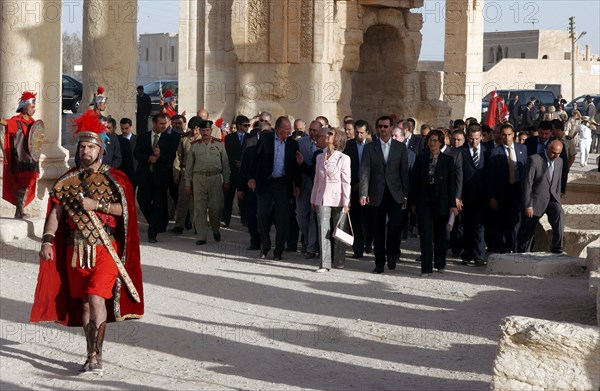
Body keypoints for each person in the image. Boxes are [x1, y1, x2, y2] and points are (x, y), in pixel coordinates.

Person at [30, 109, 144, 373]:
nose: (85, 151)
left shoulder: (115, 179)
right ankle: (89, 352)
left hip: (105, 249)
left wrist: (97, 204)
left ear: (100, 149)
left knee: (95, 298)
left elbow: (126, 209)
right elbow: (56, 214)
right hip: (75, 249)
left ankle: (97, 354)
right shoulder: (66, 181)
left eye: (91, 146)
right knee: (84, 303)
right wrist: (47, 240)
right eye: (82, 146)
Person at [359, 116, 409, 273]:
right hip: (376, 193)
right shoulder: (370, 147)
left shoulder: (400, 148)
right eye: (380, 126)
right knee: (378, 229)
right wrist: (363, 192)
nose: (383, 129)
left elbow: (404, 173)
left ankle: (393, 254)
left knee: (395, 226)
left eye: (386, 126)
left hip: (395, 193)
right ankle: (379, 262)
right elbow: (365, 171)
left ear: (390, 127)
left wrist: (405, 195)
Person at [248, 116, 300, 260]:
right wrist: (251, 177)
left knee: (282, 219)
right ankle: (265, 245)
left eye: (290, 128)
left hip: (283, 185)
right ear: (278, 129)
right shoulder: (265, 139)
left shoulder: (292, 144)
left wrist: (298, 185)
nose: (290, 131)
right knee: (263, 215)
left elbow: (295, 167)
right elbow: (255, 159)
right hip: (266, 183)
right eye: (287, 128)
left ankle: (278, 251)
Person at [411, 130, 457, 276]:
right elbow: (415, 182)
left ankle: (440, 262)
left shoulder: (448, 160)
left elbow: (451, 184)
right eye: (430, 140)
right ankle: (426, 267)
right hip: (424, 200)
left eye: (435, 140)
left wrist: (452, 204)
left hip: (441, 201)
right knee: (425, 234)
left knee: (440, 234)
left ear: (441, 142)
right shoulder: (421, 158)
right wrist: (413, 202)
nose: (432, 143)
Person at [311, 128, 351, 272]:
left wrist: (346, 202)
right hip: (322, 198)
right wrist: (313, 198)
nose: (327, 136)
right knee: (323, 230)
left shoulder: (344, 158)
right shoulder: (319, 157)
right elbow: (316, 180)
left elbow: (346, 182)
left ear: (338, 139)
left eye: (330, 134)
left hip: (339, 198)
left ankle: (339, 260)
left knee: (339, 231)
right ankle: (324, 263)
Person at [184, 119, 230, 245]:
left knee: (216, 207)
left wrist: (226, 180)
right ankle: (201, 236)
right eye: (203, 130)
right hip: (198, 179)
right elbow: (189, 167)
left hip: (215, 178)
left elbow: (225, 164)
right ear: (200, 131)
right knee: (199, 208)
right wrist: (187, 183)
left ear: (211, 131)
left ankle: (215, 229)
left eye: (207, 130)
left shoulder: (219, 145)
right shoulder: (195, 146)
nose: (205, 133)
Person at [134, 113, 178, 242]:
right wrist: (148, 158)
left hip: (161, 177)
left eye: (166, 123)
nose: (164, 126)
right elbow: (137, 153)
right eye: (161, 123)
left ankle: (152, 233)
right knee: (143, 202)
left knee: (158, 205)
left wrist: (159, 156)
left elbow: (171, 157)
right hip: (145, 176)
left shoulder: (169, 139)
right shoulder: (143, 137)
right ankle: (156, 222)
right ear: (154, 123)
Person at [516, 140, 564, 253]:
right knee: (527, 232)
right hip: (535, 200)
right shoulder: (534, 160)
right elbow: (527, 184)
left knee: (559, 214)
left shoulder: (559, 161)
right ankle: (522, 254)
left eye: (558, 153)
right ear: (547, 148)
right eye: (553, 152)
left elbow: (557, 181)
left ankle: (557, 248)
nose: (555, 155)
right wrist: (528, 205)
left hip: (552, 199)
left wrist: (558, 199)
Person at [486, 123, 527, 254]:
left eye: (509, 134)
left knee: (516, 223)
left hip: (517, 191)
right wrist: (491, 196)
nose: (507, 137)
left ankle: (514, 250)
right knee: (500, 224)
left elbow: (525, 170)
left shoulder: (522, 149)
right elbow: (490, 176)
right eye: (504, 135)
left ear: (513, 135)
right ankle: (500, 251)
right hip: (501, 193)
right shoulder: (493, 153)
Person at [1, 91, 41, 218]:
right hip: (21, 159)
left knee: (28, 186)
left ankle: (20, 211)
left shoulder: (33, 123)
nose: (34, 109)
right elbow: (6, 123)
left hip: (32, 160)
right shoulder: (16, 121)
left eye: (34, 107)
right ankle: (20, 211)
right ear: (24, 107)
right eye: (32, 106)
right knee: (22, 186)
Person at [459, 124, 487, 265]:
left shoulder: (487, 152)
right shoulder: (460, 152)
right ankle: (467, 254)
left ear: (481, 137)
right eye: (471, 139)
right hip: (465, 195)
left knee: (480, 226)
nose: (474, 142)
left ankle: (479, 256)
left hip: (482, 196)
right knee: (467, 226)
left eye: (476, 139)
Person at [343, 120, 372, 258]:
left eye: (362, 132)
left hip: (369, 189)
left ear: (367, 133)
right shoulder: (348, 145)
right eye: (357, 132)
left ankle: (368, 242)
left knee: (368, 219)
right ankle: (358, 249)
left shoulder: (372, 146)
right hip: (352, 187)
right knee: (355, 219)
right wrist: (354, 183)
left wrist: (365, 185)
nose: (359, 135)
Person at [169, 116, 202, 234]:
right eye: (192, 128)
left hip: (200, 174)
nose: (194, 131)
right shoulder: (184, 139)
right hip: (186, 173)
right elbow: (178, 156)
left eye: (197, 129)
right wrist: (176, 173)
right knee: (183, 200)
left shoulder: (206, 139)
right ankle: (179, 225)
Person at [295, 120, 322, 258]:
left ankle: (311, 247)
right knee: (300, 215)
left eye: (315, 130)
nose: (312, 133)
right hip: (304, 185)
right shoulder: (301, 143)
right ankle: (307, 239)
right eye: (310, 130)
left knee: (314, 218)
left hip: (318, 187)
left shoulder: (324, 146)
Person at [222, 115, 250, 228]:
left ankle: (245, 219)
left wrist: (242, 163)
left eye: (248, 125)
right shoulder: (230, 138)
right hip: (232, 171)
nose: (247, 127)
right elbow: (228, 154)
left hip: (244, 172)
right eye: (245, 125)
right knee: (228, 196)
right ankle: (225, 219)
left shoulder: (250, 137)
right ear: (238, 126)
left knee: (244, 196)